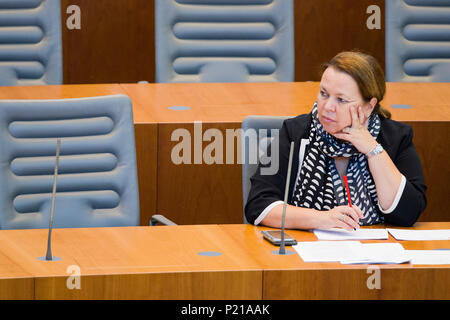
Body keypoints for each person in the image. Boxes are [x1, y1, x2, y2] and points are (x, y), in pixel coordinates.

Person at [245, 51, 427, 230]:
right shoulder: (295, 132)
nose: (327, 107)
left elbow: (408, 213)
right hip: (306, 250)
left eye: (341, 99)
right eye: (324, 94)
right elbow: (259, 206)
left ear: (369, 106)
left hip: (372, 253)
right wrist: (323, 219)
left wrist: (372, 149)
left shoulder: (396, 137)